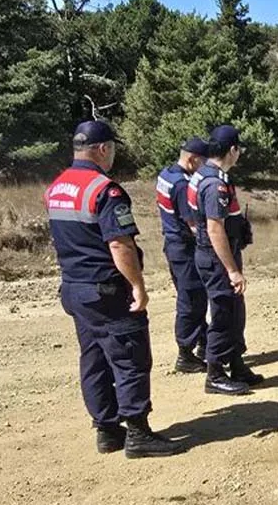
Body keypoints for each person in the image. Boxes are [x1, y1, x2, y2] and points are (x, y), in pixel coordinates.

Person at [44, 120, 182, 458]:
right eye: (114, 148)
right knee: (129, 356)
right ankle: (137, 433)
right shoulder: (105, 190)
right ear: (102, 149)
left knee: (94, 358)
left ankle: (106, 430)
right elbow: (119, 245)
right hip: (106, 288)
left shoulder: (57, 187)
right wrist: (137, 285)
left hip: (75, 287)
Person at [189, 124, 262, 395]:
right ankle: (215, 374)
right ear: (233, 150)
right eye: (239, 148)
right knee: (223, 314)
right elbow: (214, 227)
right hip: (217, 258)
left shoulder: (206, 175)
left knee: (234, 311)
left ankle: (236, 363)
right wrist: (231, 269)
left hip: (217, 254)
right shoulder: (213, 183)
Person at [156, 138, 211, 372]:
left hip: (173, 245)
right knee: (191, 300)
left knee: (193, 297)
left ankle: (203, 342)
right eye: (203, 161)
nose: (205, 166)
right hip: (184, 247)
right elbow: (192, 224)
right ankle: (185, 354)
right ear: (192, 159)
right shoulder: (181, 184)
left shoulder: (166, 174)